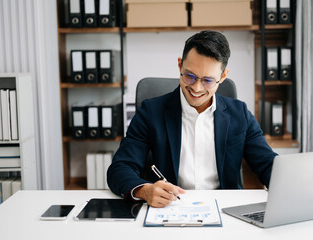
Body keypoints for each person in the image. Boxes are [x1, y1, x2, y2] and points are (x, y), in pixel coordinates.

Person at [107, 31, 277, 208]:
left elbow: (267, 165)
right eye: (190, 76)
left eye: (208, 80)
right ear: (180, 65)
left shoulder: (239, 113)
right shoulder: (151, 112)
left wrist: (293, 189)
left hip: (225, 210)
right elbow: (120, 168)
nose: (196, 88)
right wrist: (144, 190)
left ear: (223, 76)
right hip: (170, 209)